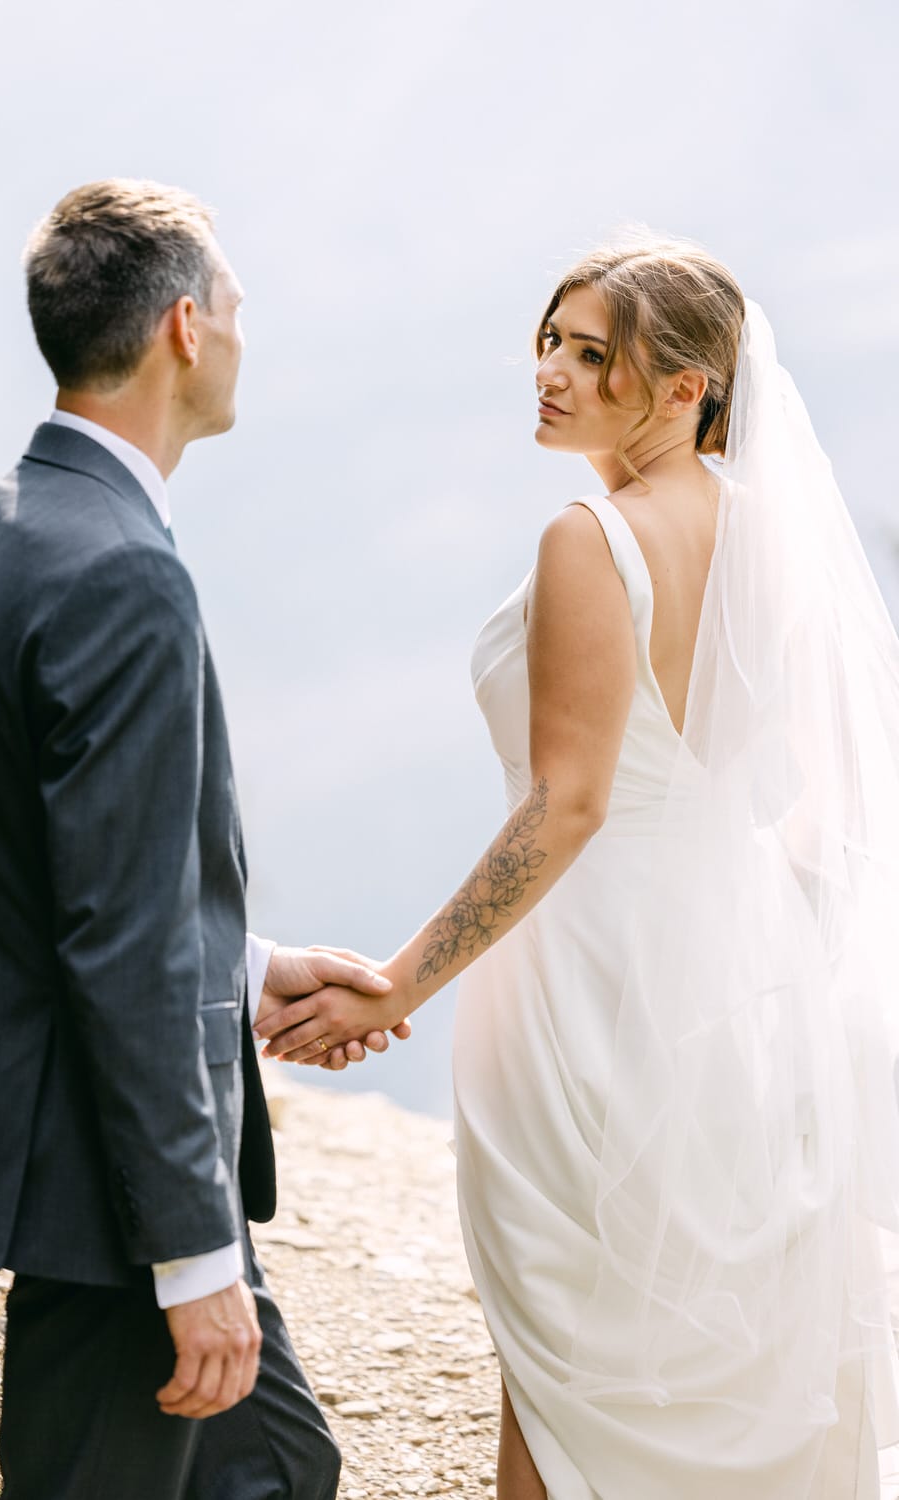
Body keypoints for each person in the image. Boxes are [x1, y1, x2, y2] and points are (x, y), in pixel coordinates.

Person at [256, 237, 899, 1498]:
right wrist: (784, 978)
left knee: (561, 1380)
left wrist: (399, 982)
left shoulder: (588, 539)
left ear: (687, 388)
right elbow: (821, 809)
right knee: (714, 1350)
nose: (550, 371)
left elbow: (567, 805)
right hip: (746, 988)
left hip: (592, 988)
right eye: (549, 338)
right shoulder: (774, 537)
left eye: (594, 354)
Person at [0, 178, 406, 1500]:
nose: (244, 330)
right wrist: (195, 1261)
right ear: (186, 328)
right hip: (110, 1195)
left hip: (78, 1158)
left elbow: (68, 876)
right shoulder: (124, 571)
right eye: (235, 304)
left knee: (280, 1468)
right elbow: (114, 944)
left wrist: (247, 971)